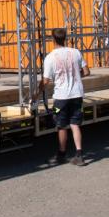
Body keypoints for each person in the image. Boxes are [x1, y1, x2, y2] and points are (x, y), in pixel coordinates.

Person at [34, 27, 91, 166]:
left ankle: (61, 155)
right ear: (65, 38)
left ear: (52, 39)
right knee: (75, 124)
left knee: (61, 125)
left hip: (61, 96)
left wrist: (36, 94)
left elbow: (45, 81)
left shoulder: (50, 57)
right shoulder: (75, 52)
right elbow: (87, 72)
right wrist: (75, 76)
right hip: (77, 94)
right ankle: (79, 155)